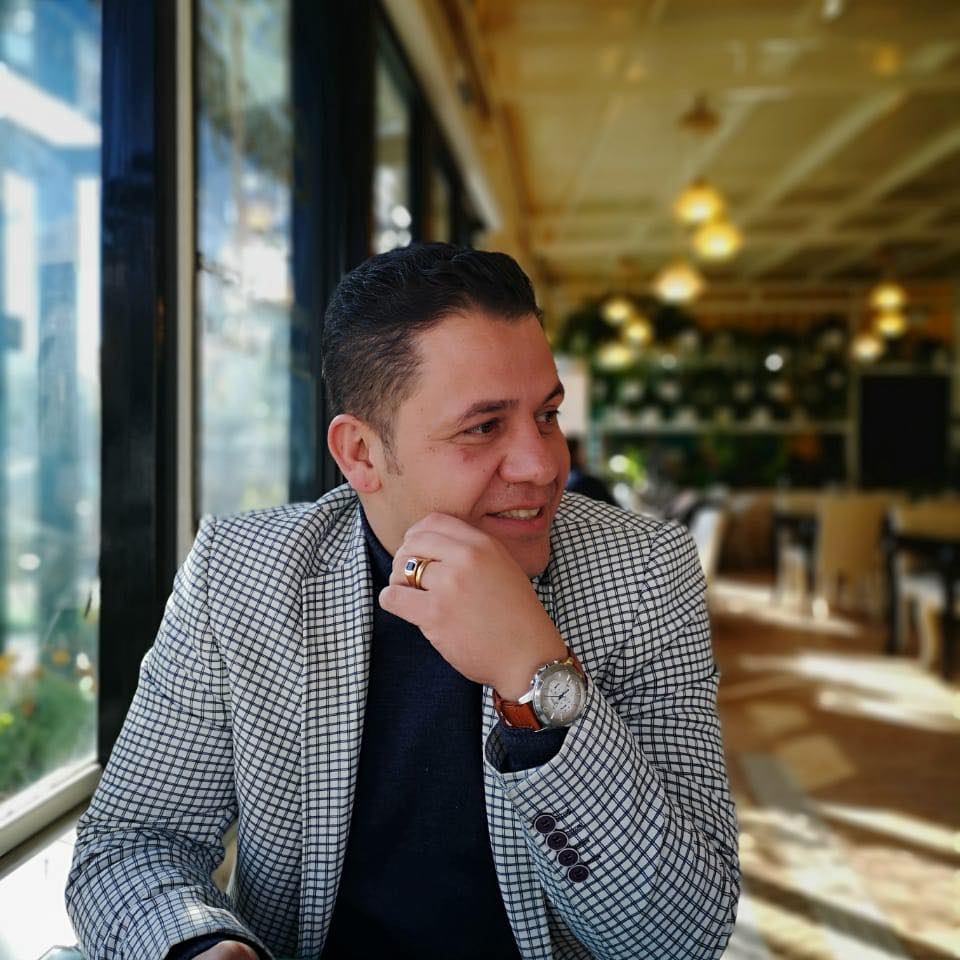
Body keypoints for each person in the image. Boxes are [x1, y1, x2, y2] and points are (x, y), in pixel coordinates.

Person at [66, 244, 739, 959]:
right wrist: (200, 947)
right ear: (360, 453)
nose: (543, 464)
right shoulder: (244, 574)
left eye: (547, 415)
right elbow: (131, 843)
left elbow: (683, 936)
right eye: (484, 427)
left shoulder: (643, 571)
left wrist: (533, 674)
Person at [564, 437, 616, 505]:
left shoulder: (563, 484)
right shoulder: (589, 484)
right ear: (575, 454)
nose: (585, 456)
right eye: (582, 452)